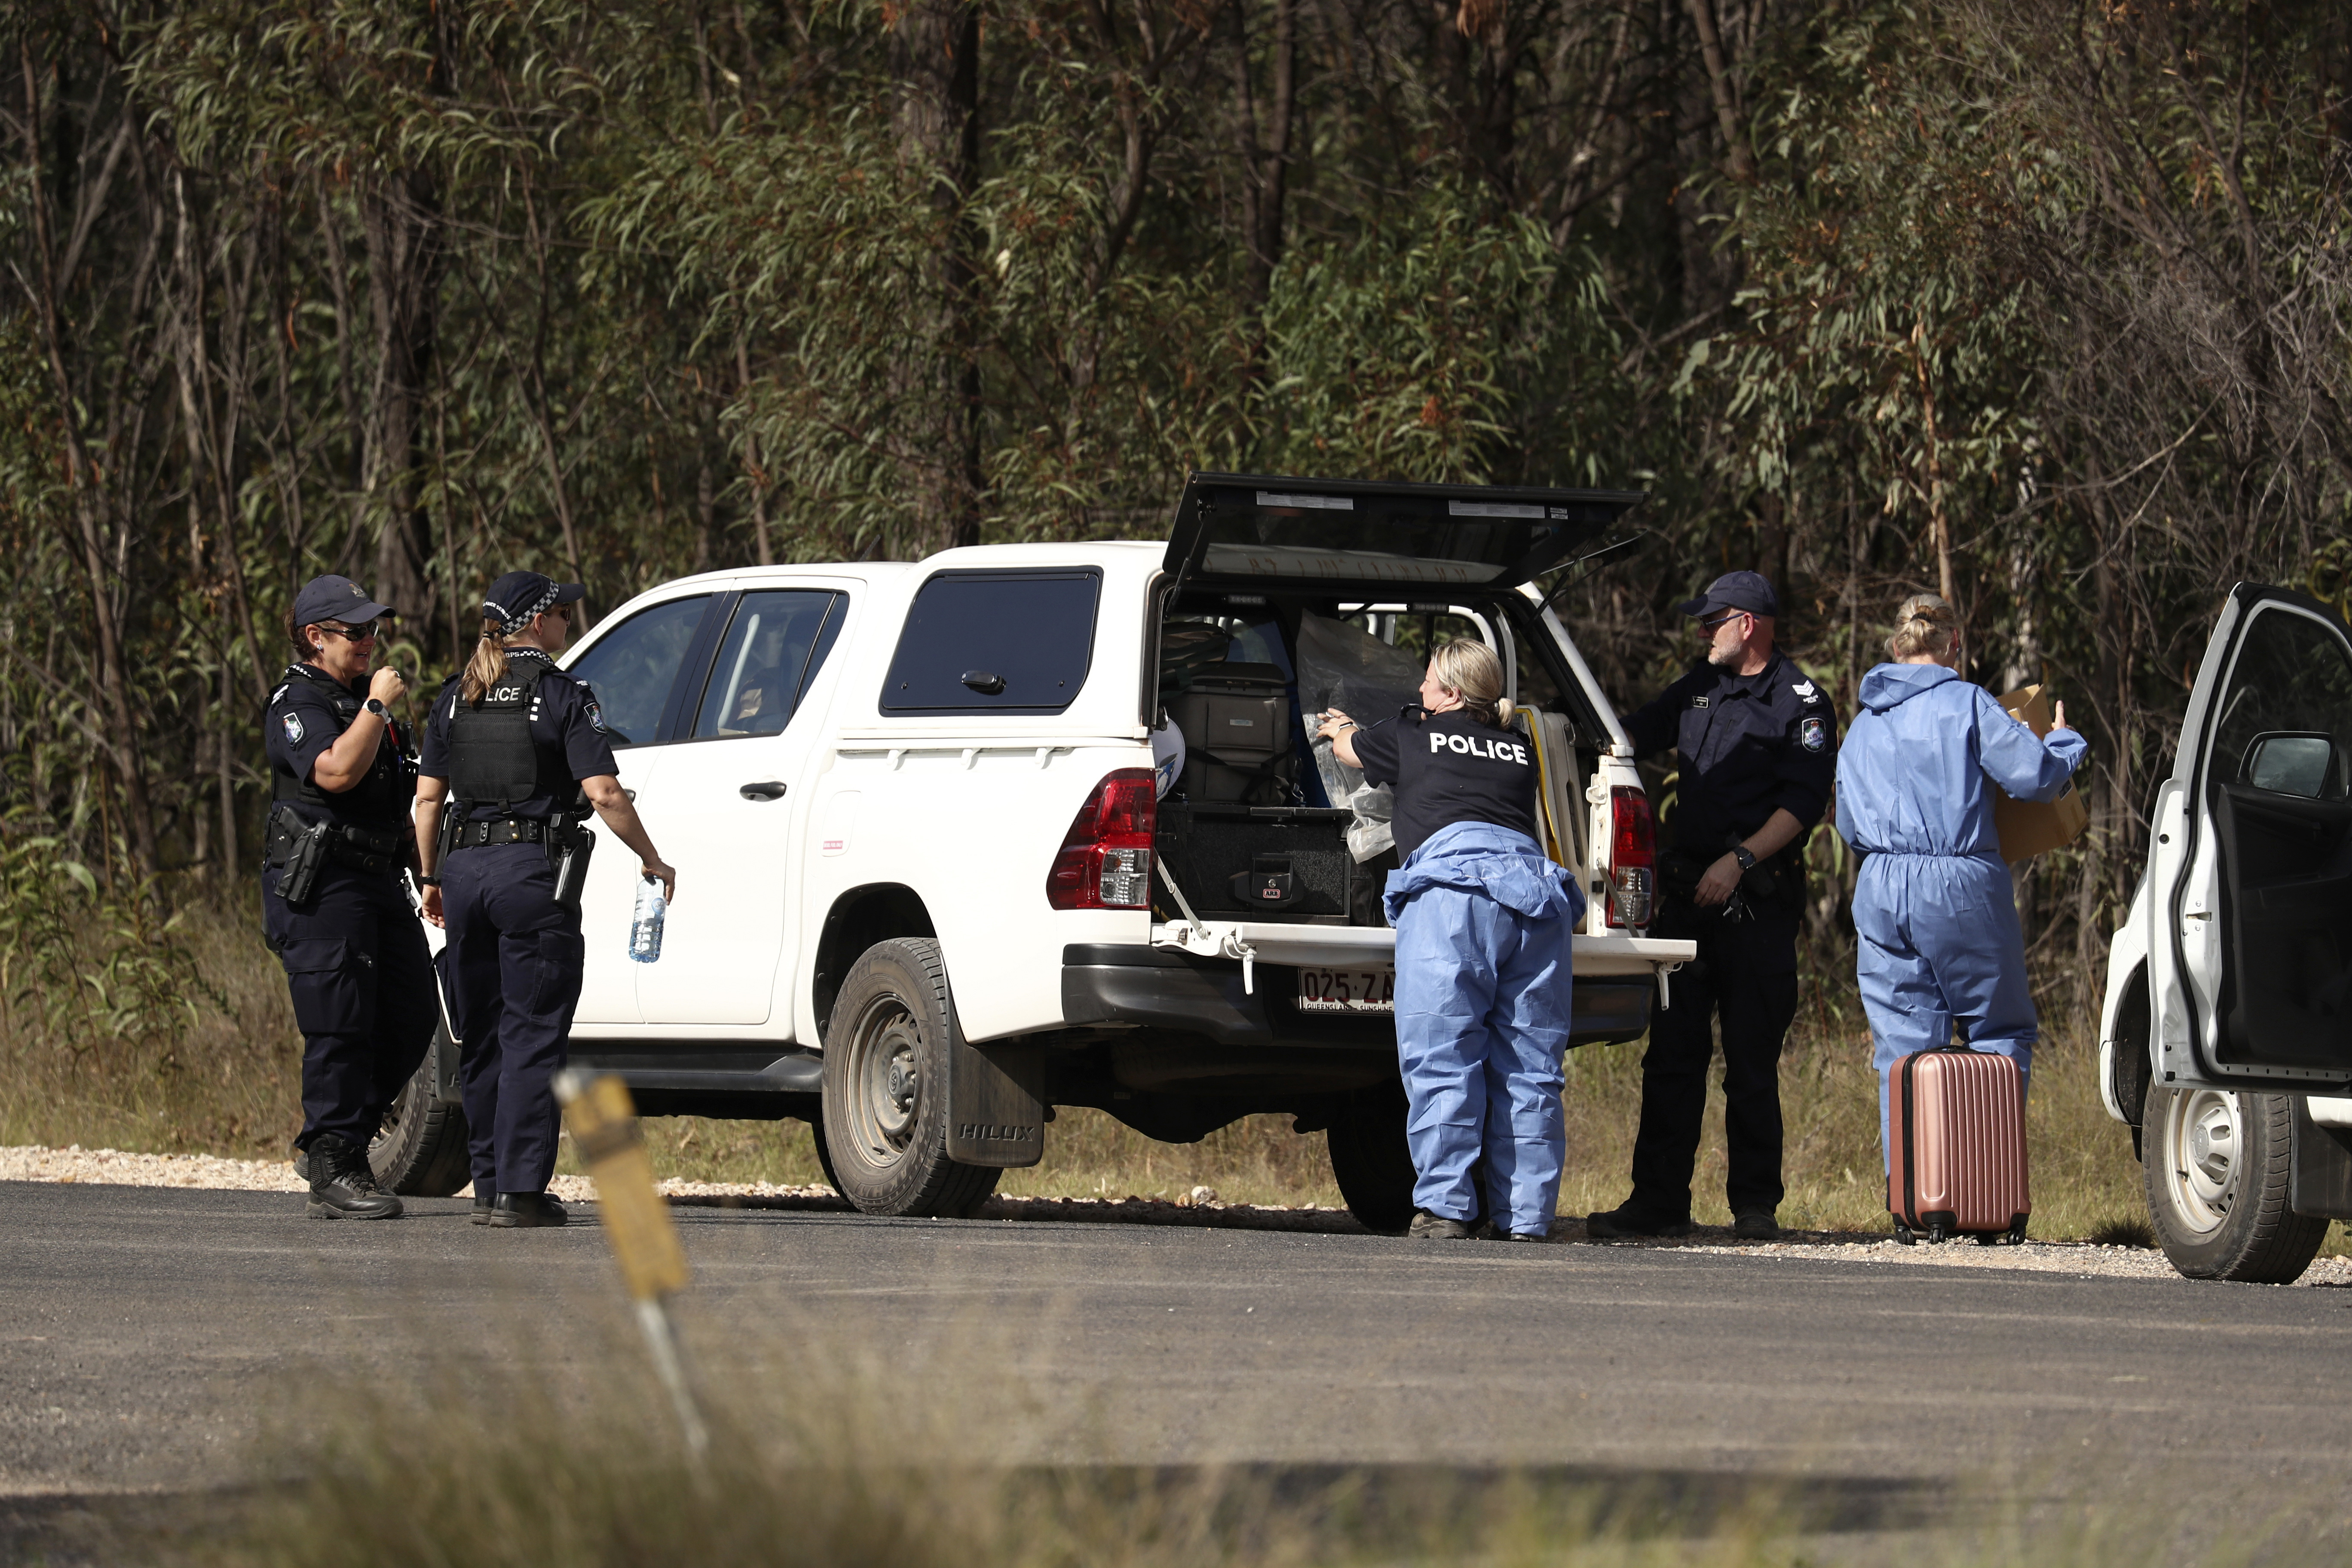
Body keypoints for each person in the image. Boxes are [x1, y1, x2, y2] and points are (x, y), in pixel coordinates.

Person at [414, 571, 677, 1228]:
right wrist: (652, 857)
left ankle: (488, 1186)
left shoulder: (456, 696)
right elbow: (604, 793)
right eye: (562, 613)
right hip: (530, 874)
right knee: (532, 1034)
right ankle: (521, 1194)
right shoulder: (561, 694)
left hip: (465, 873)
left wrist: (432, 878)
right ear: (537, 623)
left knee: (481, 1036)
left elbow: (427, 799)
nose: (567, 624)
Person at [1589, 570, 1837, 1243]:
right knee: (1671, 1060)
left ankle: (1755, 1206)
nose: (1701, 632)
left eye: (1712, 621)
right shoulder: (1700, 687)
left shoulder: (1801, 702)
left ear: (1748, 624)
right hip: (1688, 903)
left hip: (1755, 904)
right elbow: (1631, 732)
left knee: (1752, 1065)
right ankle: (1658, 1202)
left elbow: (1803, 805)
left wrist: (1741, 862)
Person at [1317, 639, 1584, 1242]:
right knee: (1531, 1068)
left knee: (1443, 1054)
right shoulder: (1519, 748)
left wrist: (1341, 724)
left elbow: (1347, 751)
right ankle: (1526, 1218)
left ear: (1453, 694)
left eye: (1429, 682)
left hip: (1453, 898)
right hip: (1535, 900)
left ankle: (1446, 1209)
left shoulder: (1411, 734)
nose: (1419, 692)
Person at [1834, 593, 2085, 1168]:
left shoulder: (1864, 722)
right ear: (1954, 645)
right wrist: (2065, 745)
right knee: (1998, 1030)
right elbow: (2035, 778)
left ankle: (1915, 1199)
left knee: (1901, 1048)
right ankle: (1985, 1189)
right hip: (1959, 880)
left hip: (1880, 885)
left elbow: (1848, 823)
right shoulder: (1967, 702)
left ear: (1897, 646)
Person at [262, 575, 436, 1220]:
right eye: (354, 632)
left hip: (377, 880)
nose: (369, 642)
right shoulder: (296, 700)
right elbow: (333, 771)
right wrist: (377, 709)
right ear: (315, 637)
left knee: (412, 1014)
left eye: (372, 630)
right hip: (322, 885)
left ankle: (334, 1145)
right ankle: (336, 1164)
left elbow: (401, 797)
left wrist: (427, 874)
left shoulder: (362, 701)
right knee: (342, 1025)